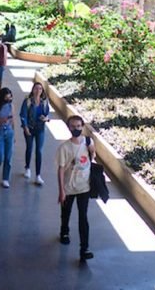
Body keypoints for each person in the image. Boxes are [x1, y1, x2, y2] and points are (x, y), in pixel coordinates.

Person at [56, 115, 95, 261]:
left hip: (84, 186)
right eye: (73, 126)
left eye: (79, 126)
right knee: (66, 212)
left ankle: (84, 248)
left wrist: (92, 151)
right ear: (69, 127)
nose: (76, 129)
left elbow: (93, 155)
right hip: (69, 187)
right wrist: (61, 191)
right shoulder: (64, 148)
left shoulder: (88, 142)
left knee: (83, 217)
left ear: (82, 126)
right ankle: (64, 231)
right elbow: (60, 170)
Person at [19, 82, 50, 185]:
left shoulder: (44, 102)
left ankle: (38, 175)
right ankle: (27, 168)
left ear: (42, 91)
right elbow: (23, 115)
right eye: (36, 88)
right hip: (30, 128)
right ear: (33, 90)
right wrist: (25, 127)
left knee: (39, 151)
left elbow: (47, 114)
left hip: (40, 129)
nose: (38, 91)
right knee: (29, 148)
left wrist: (45, 118)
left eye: (40, 89)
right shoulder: (27, 101)